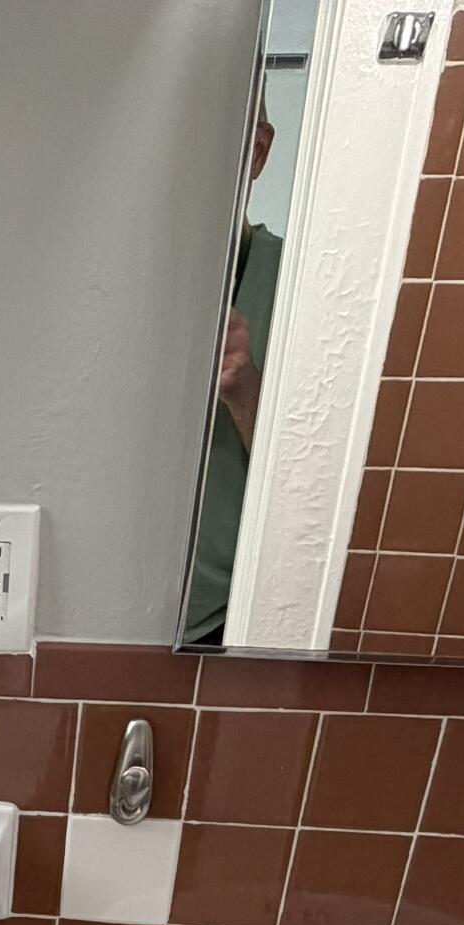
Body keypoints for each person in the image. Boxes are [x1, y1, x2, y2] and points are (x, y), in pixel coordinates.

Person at [183, 107, 286, 647]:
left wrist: (247, 392)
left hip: (230, 619)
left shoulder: (299, 282)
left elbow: (316, 488)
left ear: (258, 151)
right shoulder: (104, 275)